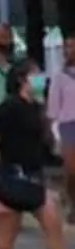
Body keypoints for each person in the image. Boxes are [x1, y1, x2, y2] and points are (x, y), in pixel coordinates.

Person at [0, 63, 75, 249]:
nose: (40, 78)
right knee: (7, 232)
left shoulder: (36, 107)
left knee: (53, 224)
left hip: (34, 175)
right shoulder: (9, 107)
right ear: (22, 79)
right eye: (35, 74)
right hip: (12, 175)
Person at [46, 51, 75, 221]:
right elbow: (53, 107)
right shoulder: (60, 76)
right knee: (71, 169)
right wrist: (52, 129)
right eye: (67, 46)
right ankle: (71, 202)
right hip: (68, 125)